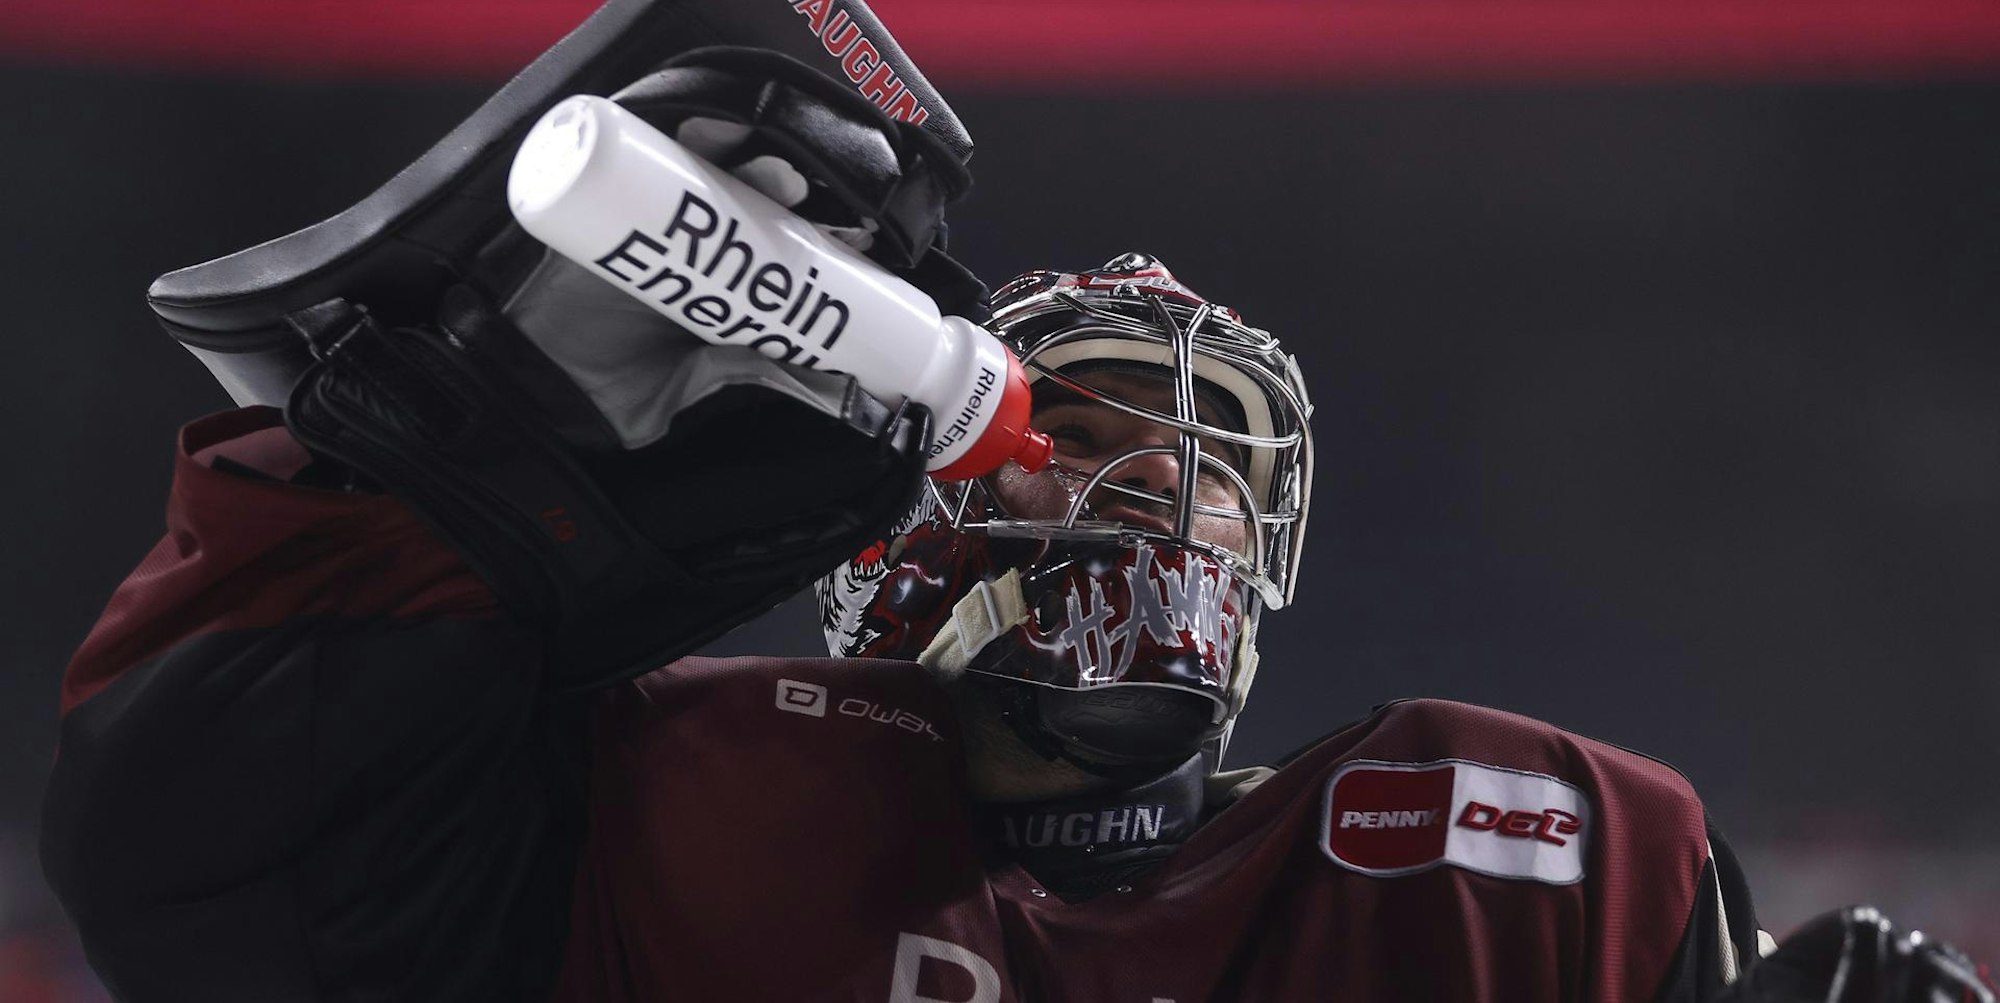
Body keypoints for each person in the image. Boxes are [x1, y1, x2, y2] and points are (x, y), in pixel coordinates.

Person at [38, 2, 1993, 1000]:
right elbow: (202, 867)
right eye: (1080, 452)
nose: (1136, 513)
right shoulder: (672, 797)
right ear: (869, 532)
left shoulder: (1516, 867)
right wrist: (482, 469)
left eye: (1189, 466)